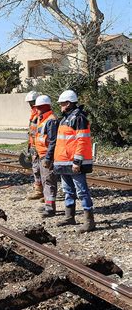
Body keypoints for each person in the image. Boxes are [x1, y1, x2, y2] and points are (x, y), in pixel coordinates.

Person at [54, 90, 95, 232]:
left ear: (69, 103)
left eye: (62, 104)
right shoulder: (66, 118)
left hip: (74, 162)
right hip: (64, 162)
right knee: (68, 191)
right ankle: (69, 217)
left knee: (82, 191)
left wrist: (77, 161)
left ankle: (89, 221)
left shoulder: (79, 118)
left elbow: (82, 141)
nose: (60, 106)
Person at [34, 95, 59, 217]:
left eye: (38, 107)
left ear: (44, 107)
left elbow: (53, 141)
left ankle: (50, 209)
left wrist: (48, 158)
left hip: (47, 156)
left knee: (49, 181)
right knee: (45, 181)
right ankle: (48, 206)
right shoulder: (43, 119)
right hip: (42, 154)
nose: (36, 109)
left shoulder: (51, 120)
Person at [25, 91, 42, 202]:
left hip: (39, 147)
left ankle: (41, 192)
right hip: (34, 146)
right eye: (30, 102)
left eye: (32, 102)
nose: (31, 104)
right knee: (36, 169)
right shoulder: (34, 114)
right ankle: (39, 190)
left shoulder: (40, 114)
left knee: (40, 170)